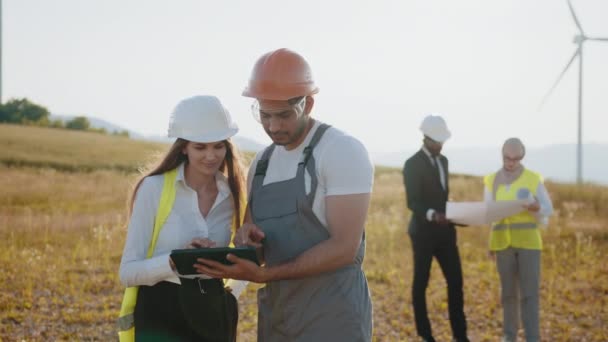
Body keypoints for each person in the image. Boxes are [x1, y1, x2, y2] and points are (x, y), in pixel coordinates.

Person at [194, 48, 374, 341]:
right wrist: (247, 241)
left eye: (284, 115)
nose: (273, 126)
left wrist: (264, 275)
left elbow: (344, 248)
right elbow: (258, 247)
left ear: (309, 103)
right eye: (264, 115)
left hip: (333, 316)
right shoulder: (262, 164)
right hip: (278, 319)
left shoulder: (341, 151)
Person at [117, 95, 246, 341]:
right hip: (161, 311)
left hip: (214, 311)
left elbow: (247, 253)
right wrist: (177, 261)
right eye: (200, 146)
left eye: (219, 145)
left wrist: (230, 295)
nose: (211, 155)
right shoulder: (153, 189)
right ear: (184, 147)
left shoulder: (233, 195)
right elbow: (127, 273)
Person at [402, 115, 469, 342]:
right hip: (422, 233)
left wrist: (456, 213)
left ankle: (461, 336)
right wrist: (433, 215)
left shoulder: (444, 161)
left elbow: (441, 195)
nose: (441, 145)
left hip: (446, 233)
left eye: (443, 141)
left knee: (456, 282)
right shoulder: (411, 164)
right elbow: (413, 202)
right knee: (421, 283)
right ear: (426, 138)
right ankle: (426, 335)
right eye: (437, 141)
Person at [484, 138, 553, 342]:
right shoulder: (491, 180)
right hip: (502, 244)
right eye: (507, 158)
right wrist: (490, 244)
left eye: (516, 158)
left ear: (522, 157)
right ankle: (509, 336)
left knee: (529, 295)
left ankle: (532, 338)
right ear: (502, 154)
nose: (511, 162)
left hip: (529, 244)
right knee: (508, 294)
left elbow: (548, 208)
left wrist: (536, 208)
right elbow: (489, 213)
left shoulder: (533, 179)